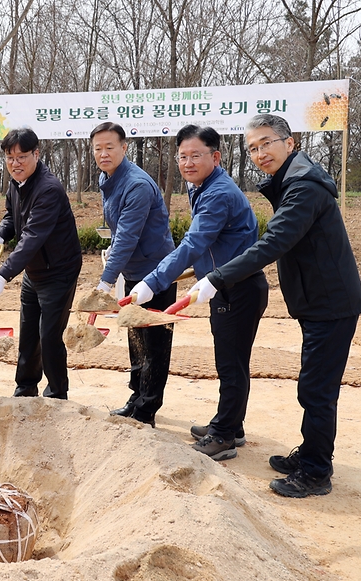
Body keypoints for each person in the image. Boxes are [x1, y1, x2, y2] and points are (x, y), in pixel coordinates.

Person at [188, 114, 361, 497]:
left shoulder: (304, 188)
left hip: (330, 303)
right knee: (312, 385)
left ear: (291, 142)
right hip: (317, 302)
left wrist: (216, 278)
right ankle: (310, 453)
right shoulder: (292, 183)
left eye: (266, 142)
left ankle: (316, 472)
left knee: (317, 390)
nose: (259, 153)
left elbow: (272, 244)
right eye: (252, 147)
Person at [129, 125, 268, 458]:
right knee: (232, 360)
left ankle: (223, 436)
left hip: (238, 287)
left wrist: (153, 281)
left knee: (231, 363)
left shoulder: (218, 193)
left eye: (195, 155)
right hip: (226, 283)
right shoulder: (203, 187)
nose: (187, 163)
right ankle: (231, 424)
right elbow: (209, 245)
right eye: (182, 156)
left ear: (215, 156)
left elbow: (193, 243)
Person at [0, 128, 82, 399]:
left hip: (59, 271)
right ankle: (26, 388)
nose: (15, 163)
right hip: (34, 272)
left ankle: (56, 394)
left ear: (36, 154)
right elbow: (11, 216)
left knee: (49, 336)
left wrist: (3, 274)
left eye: (22, 156)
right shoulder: (16, 183)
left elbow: (32, 238)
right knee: (28, 334)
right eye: (10, 157)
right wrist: (0, 233)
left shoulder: (48, 189)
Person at [90, 122, 175, 427]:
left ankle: (147, 409)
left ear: (124, 148)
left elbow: (127, 236)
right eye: (98, 148)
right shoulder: (109, 178)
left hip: (157, 274)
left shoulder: (136, 184)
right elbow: (119, 234)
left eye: (110, 147)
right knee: (135, 338)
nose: (103, 153)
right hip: (135, 274)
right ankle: (136, 396)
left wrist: (106, 279)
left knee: (154, 344)